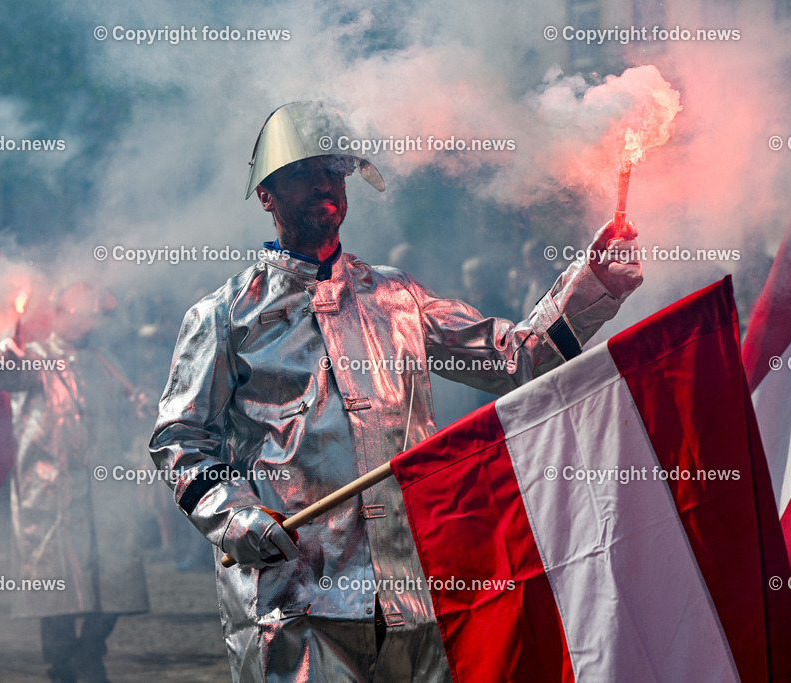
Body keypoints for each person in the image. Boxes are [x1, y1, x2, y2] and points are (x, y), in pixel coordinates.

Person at [149, 101, 643, 681]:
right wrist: (235, 519)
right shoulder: (224, 316)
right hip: (296, 600)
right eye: (308, 173)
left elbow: (517, 359)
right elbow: (179, 438)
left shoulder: (397, 296)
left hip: (412, 592)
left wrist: (594, 283)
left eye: (336, 172)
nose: (327, 186)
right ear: (267, 194)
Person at [0, 283, 150, 683]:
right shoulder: (36, 357)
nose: (86, 320)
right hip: (51, 493)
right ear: (59, 314)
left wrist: (141, 407)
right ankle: (62, 666)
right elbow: (5, 378)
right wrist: (7, 352)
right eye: (77, 312)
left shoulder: (106, 359)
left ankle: (90, 651)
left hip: (104, 492)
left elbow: (125, 415)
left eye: (91, 313)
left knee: (113, 577)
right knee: (55, 586)